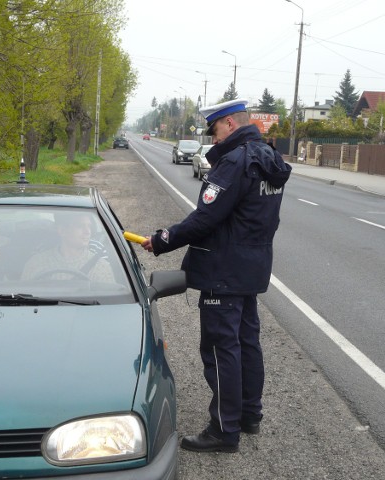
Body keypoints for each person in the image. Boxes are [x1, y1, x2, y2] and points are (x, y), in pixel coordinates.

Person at [141, 99, 291, 453]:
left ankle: (224, 430)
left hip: (223, 268)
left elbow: (206, 217)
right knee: (247, 343)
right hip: (251, 266)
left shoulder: (236, 162)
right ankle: (249, 415)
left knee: (221, 348)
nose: (214, 137)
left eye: (215, 129)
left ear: (228, 124)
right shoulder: (269, 159)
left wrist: (164, 239)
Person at [21, 212, 114, 283]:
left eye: (89, 226)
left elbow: (110, 305)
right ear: (62, 231)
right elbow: (23, 301)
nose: (87, 231)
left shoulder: (101, 268)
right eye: (80, 226)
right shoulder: (36, 264)